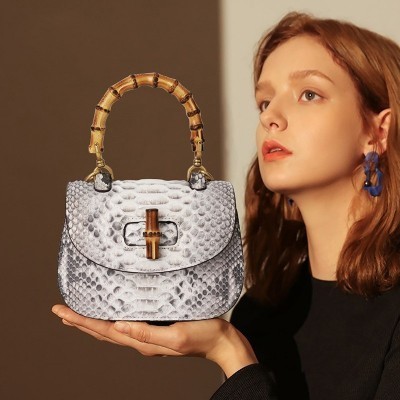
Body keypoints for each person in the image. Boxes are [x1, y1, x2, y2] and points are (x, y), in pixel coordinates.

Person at [52, 12, 400, 399]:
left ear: (378, 131)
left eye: (309, 94)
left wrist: (230, 352)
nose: (271, 117)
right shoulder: (262, 312)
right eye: (264, 101)